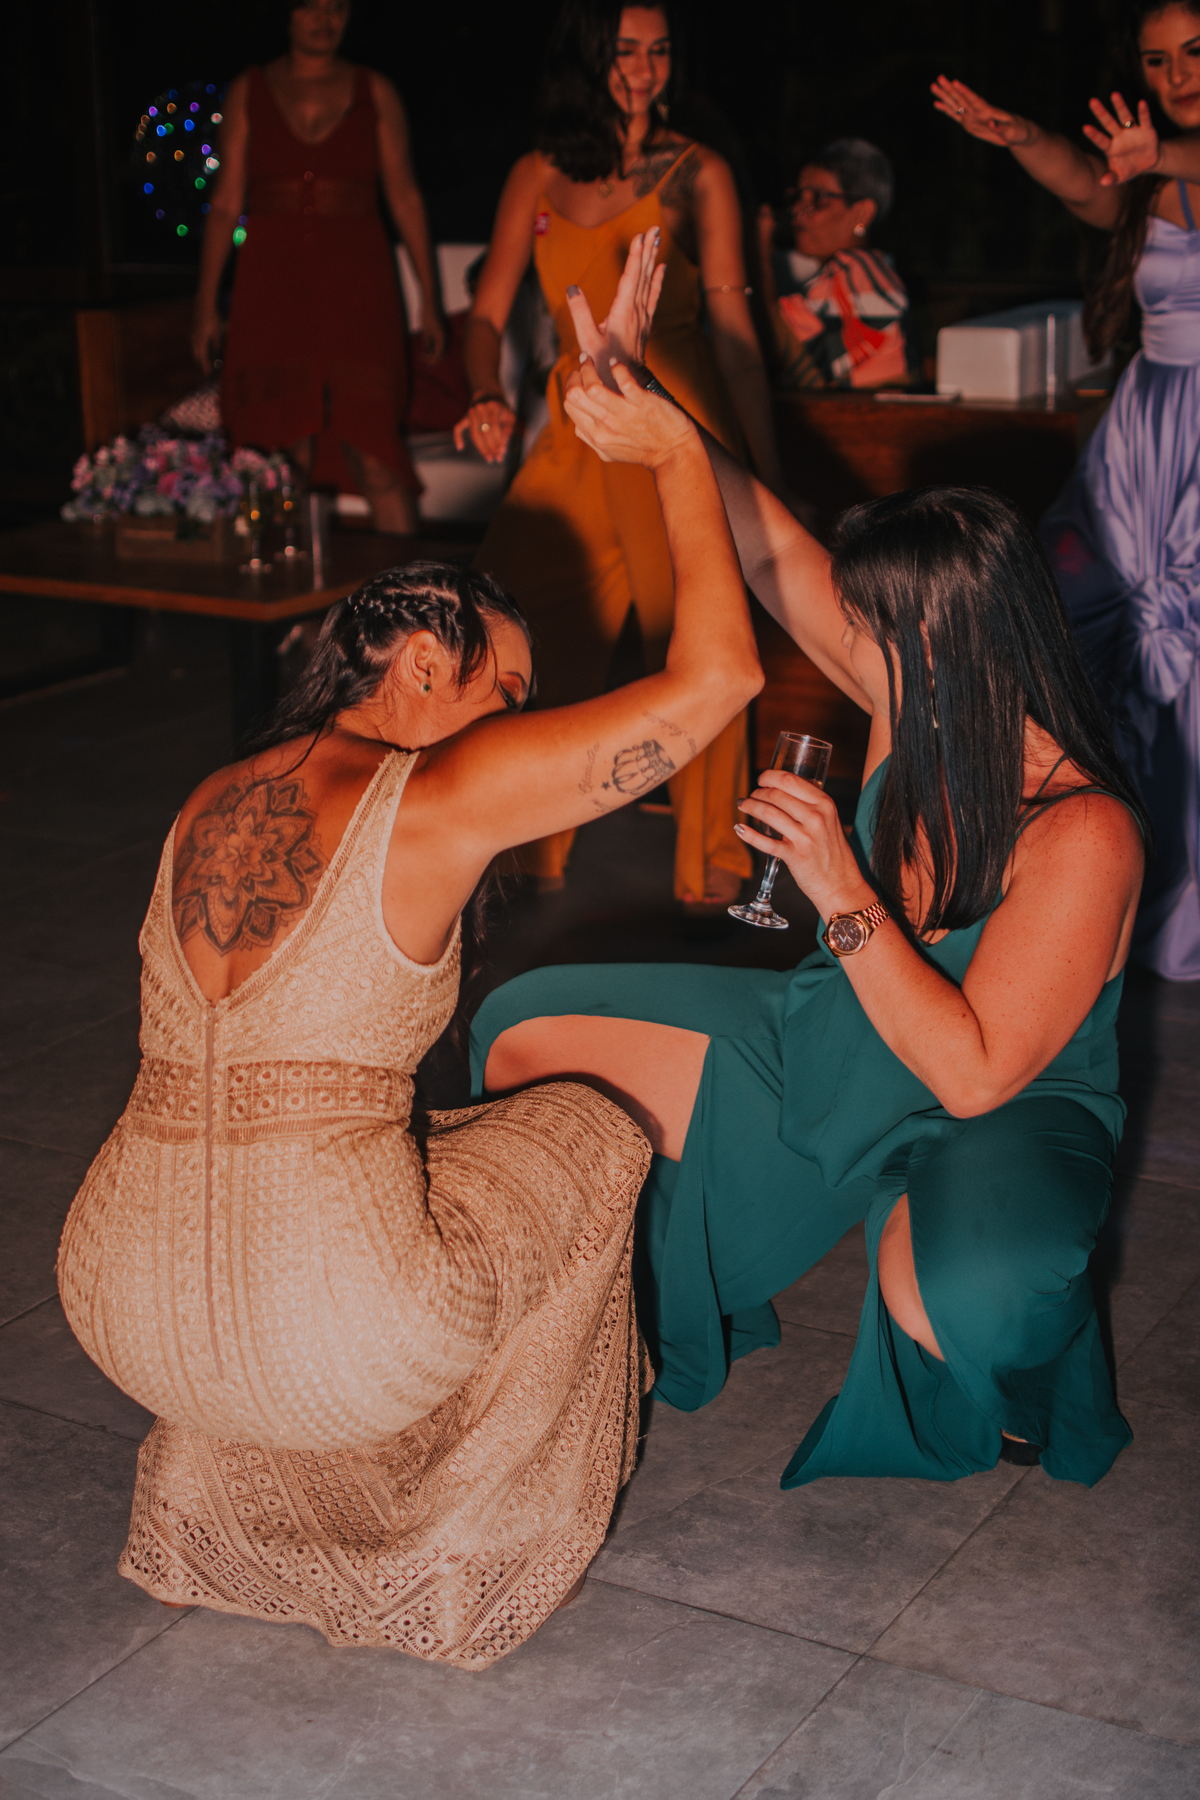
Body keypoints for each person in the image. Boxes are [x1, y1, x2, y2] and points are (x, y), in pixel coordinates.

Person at [56, 239, 764, 1668]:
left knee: (376, 1142)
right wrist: (677, 453)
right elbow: (723, 680)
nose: (519, 725)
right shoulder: (437, 790)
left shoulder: (210, 795)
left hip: (116, 1301)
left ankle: (200, 1524)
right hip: (336, 1335)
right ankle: (452, 1561)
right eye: (511, 691)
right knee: (588, 1132)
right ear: (427, 665)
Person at [473, 329, 1149, 1491]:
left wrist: (839, 889)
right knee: (525, 1029)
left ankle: (1033, 1347)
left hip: (1001, 1103)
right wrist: (658, 414)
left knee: (966, 1299)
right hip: (832, 1034)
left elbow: (975, 1074)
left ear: (942, 643)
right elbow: (768, 548)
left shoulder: (1083, 828)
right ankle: (623, 1307)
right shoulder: (916, 695)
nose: (846, 640)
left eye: (869, 625)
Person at [455, 0, 784, 906]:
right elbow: (484, 314)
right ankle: (521, 846)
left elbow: (734, 332)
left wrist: (765, 470)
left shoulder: (697, 171)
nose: (645, 69)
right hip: (576, 425)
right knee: (506, 620)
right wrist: (483, 390)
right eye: (625, 51)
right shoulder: (538, 171)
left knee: (697, 630)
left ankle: (711, 860)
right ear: (587, 58)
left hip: (668, 415)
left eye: (660, 51)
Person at [933, 0, 1200, 978]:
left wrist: (1162, 154)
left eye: (1196, 53)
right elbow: (1086, 183)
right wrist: (1020, 136)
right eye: (1156, 61)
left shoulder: (1170, 158)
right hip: (1143, 438)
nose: (1176, 75)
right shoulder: (1146, 174)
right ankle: (1068, 880)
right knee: (1066, 622)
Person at [192, 0, 444, 533]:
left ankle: (416, 587)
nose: (324, 20)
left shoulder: (375, 90)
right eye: (312, 6)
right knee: (283, 458)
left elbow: (405, 197)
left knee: (375, 453)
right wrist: (206, 305)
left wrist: (431, 301)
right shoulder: (250, 89)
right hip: (272, 287)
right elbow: (225, 203)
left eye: (337, 8)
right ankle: (290, 586)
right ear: (286, 13)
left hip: (356, 289)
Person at [757, 138, 916, 391]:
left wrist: (759, 256)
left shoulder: (857, 275)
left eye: (818, 198)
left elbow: (777, 351)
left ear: (862, 212)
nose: (799, 210)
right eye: (798, 197)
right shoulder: (865, 270)